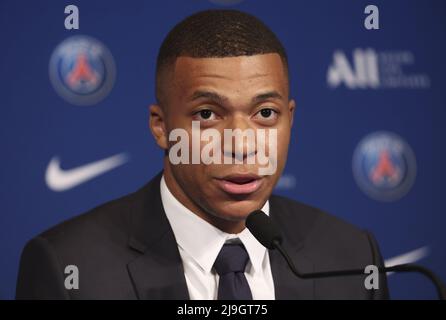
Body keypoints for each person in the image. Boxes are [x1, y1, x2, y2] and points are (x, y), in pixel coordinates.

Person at [16, 9, 389, 300]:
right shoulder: (69, 267)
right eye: (207, 115)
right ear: (161, 126)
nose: (243, 145)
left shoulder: (353, 257)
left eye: (265, 114)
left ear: (290, 119)